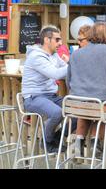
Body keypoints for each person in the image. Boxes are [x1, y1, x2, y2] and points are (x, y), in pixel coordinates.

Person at [68, 22, 106, 158]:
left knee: (87, 108)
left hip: (74, 104)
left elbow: (69, 80)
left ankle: (79, 142)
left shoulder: (75, 54)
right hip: (98, 104)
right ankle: (95, 142)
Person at [21, 25, 70, 153]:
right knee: (57, 113)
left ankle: (56, 137)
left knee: (79, 109)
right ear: (47, 40)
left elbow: (66, 68)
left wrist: (71, 64)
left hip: (51, 96)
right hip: (34, 97)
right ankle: (47, 142)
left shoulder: (54, 55)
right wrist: (74, 63)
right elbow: (56, 74)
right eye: (57, 39)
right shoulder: (37, 56)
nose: (61, 43)